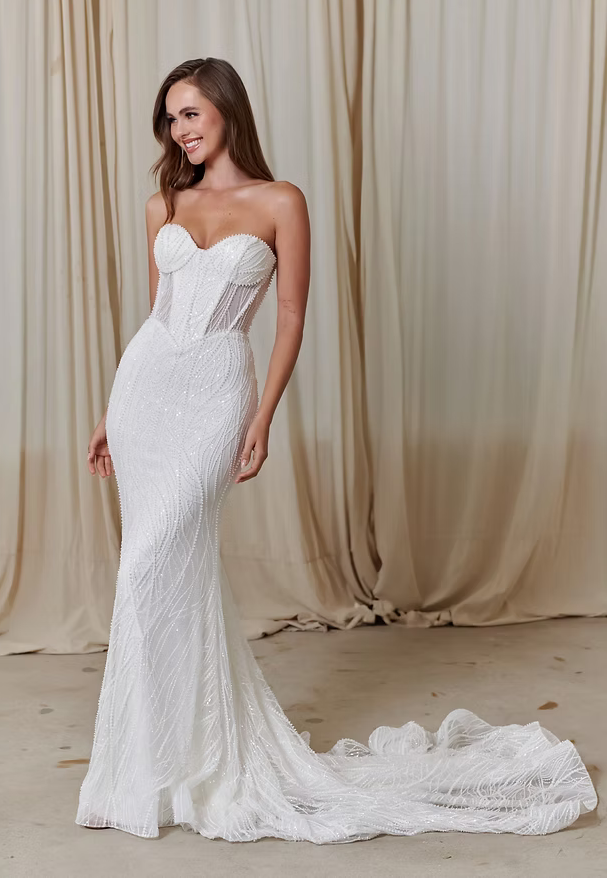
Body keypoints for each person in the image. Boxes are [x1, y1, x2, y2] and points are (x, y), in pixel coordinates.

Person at [76, 57, 597, 842]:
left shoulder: (282, 200)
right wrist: (114, 413)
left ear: (225, 111)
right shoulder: (164, 203)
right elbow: (159, 312)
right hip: (147, 389)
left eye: (192, 113)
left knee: (157, 561)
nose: (181, 130)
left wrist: (262, 416)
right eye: (171, 118)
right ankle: (157, 763)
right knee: (158, 570)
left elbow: (288, 319)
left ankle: (186, 757)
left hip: (219, 386)